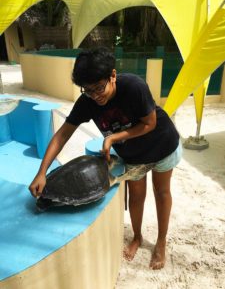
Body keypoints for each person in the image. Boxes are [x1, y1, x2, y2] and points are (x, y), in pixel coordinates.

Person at [29, 47, 182, 270]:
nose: (95, 96)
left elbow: (150, 123)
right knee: (137, 196)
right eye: (87, 90)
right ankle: (137, 237)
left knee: (162, 192)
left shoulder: (133, 86)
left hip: (163, 143)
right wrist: (42, 172)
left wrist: (113, 138)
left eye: (99, 88)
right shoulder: (87, 101)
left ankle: (160, 241)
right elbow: (62, 134)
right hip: (135, 155)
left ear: (112, 75)